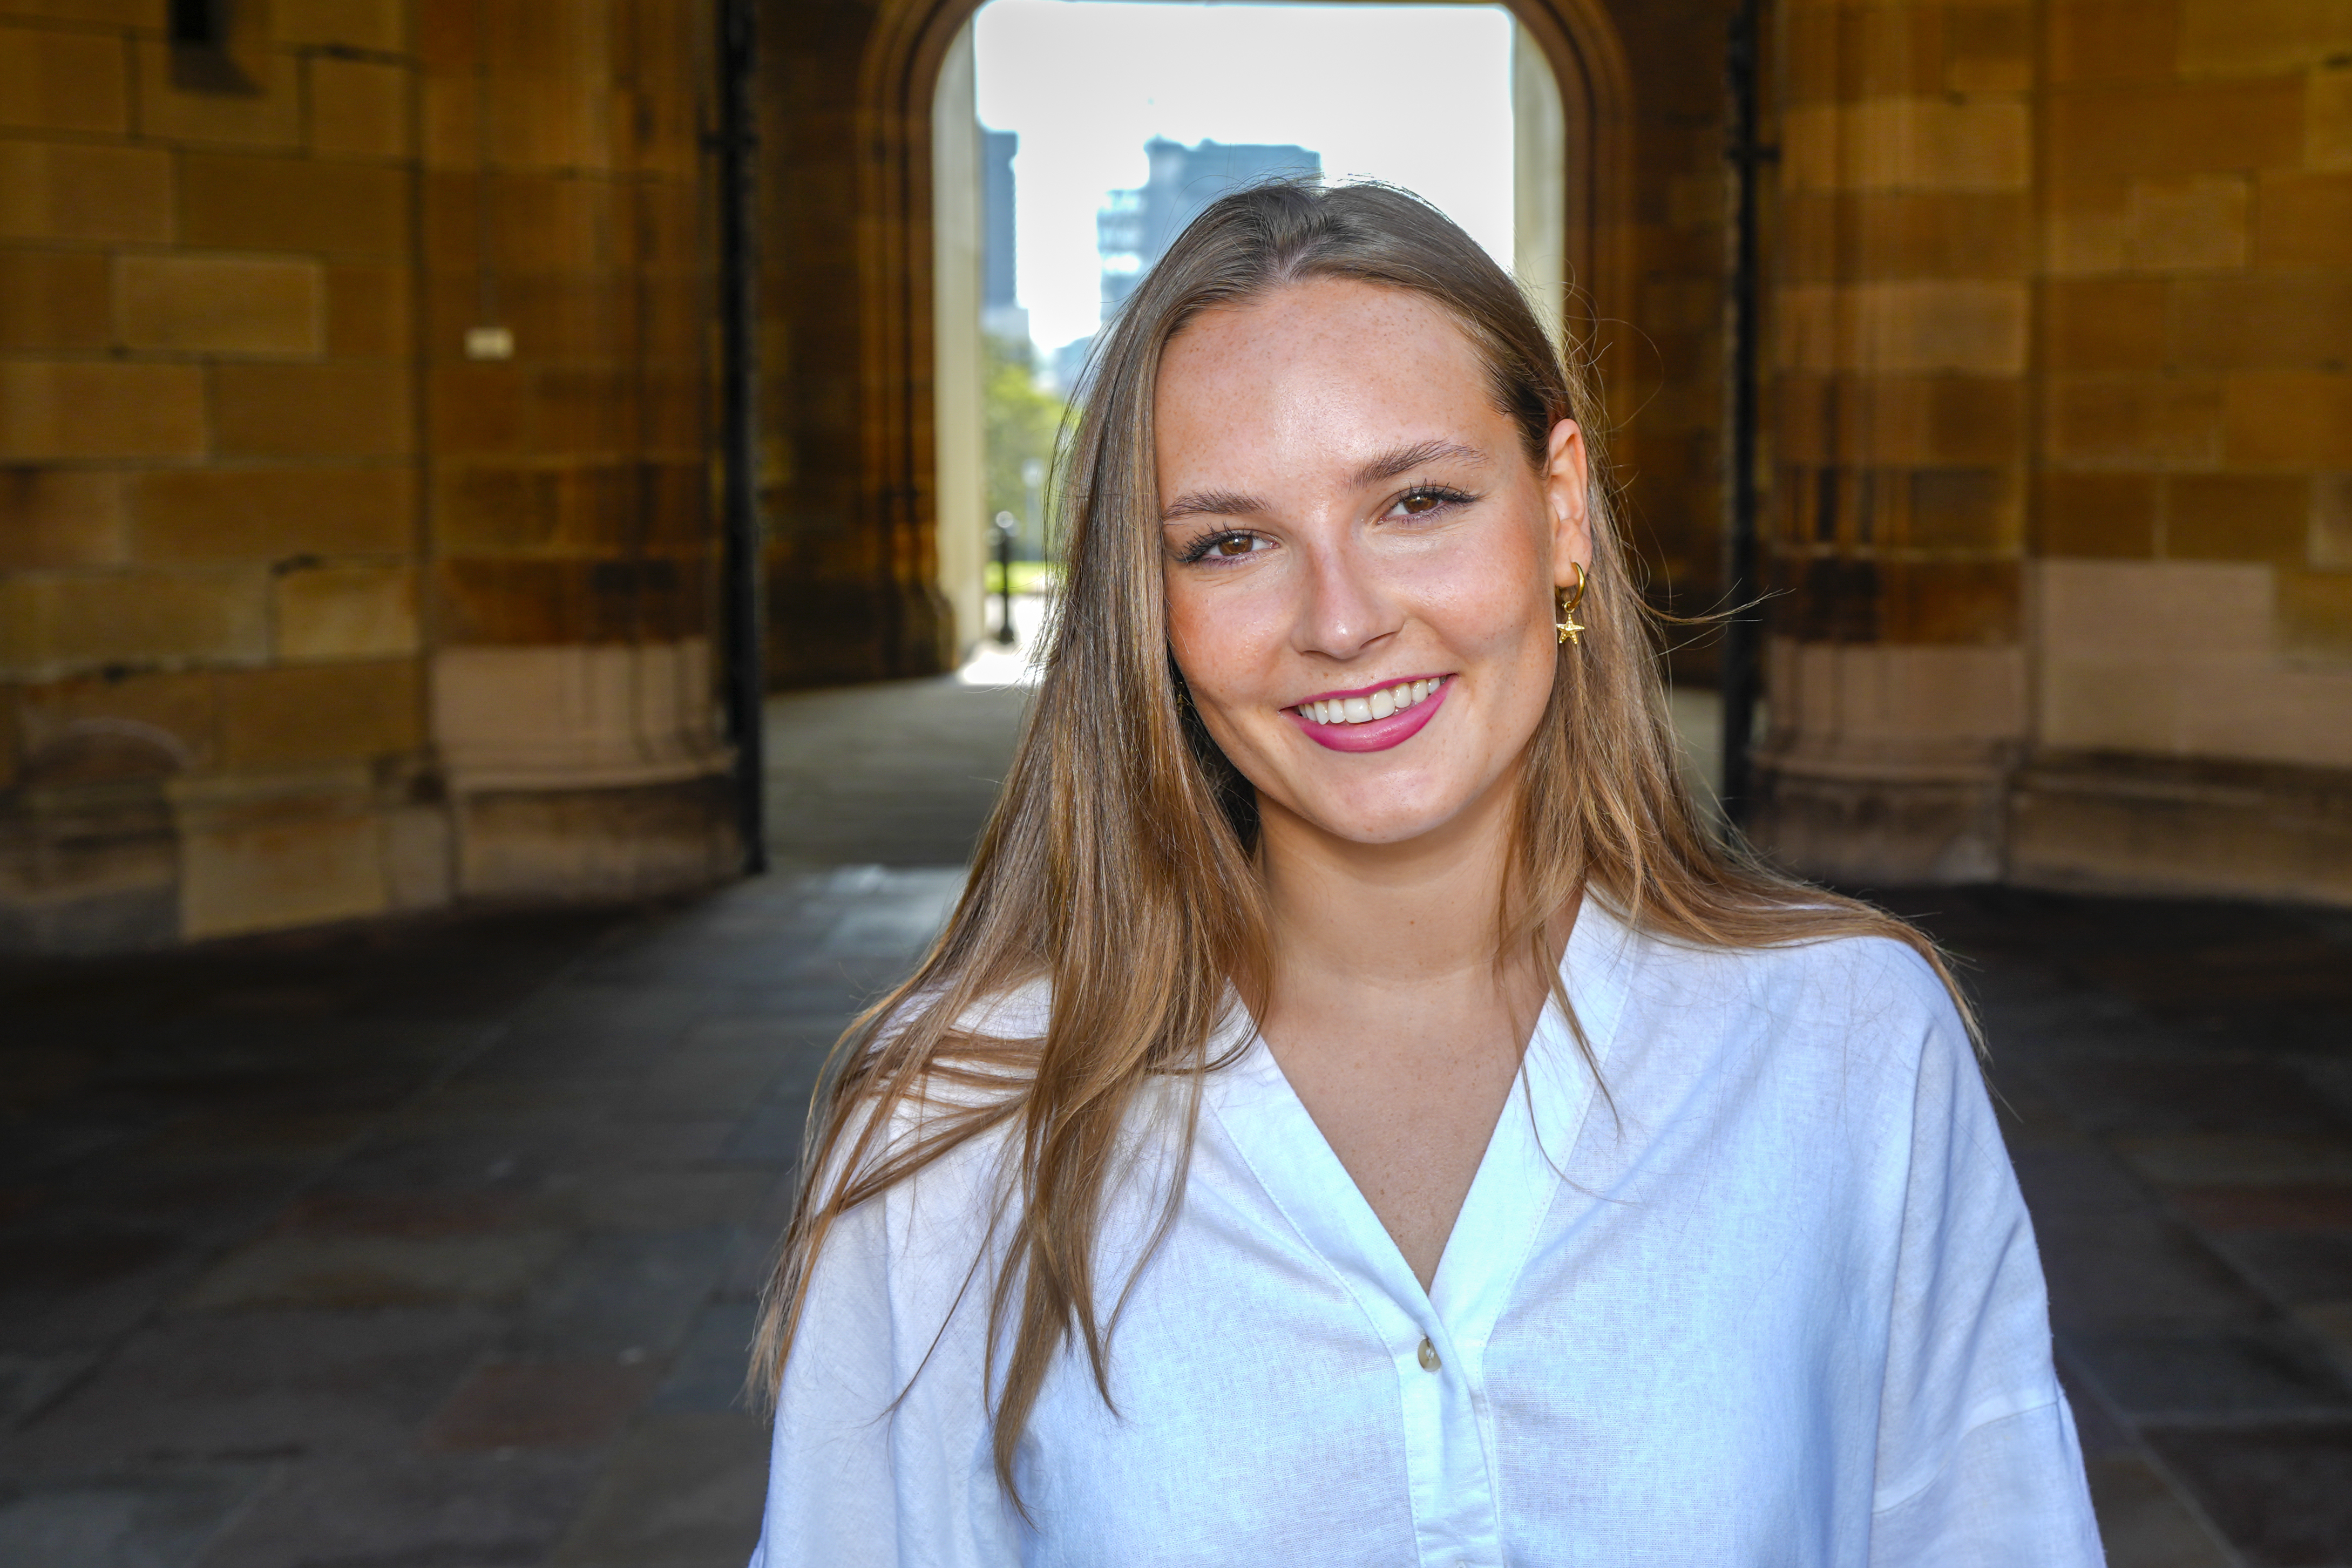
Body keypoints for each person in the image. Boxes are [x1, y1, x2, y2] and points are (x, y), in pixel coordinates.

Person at [747, 182, 2103, 1566]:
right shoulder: (961, 1121)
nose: (1340, 620)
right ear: (1147, 608)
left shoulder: (1850, 1045)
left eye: (1417, 500)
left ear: (1560, 508)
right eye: (1230, 542)